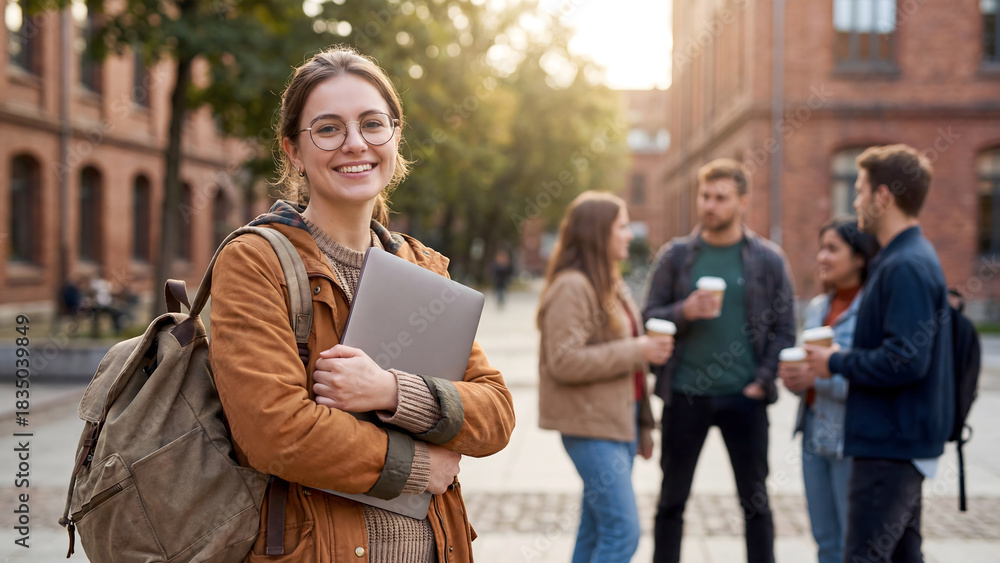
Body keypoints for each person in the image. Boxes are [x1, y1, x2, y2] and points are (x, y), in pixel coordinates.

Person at [208, 47, 516, 562]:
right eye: (328, 129)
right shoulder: (255, 262)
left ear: (395, 136)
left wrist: (391, 390)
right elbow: (275, 431)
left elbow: (496, 413)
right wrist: (419, 466)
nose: (355, 143)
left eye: (373, 124)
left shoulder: (419, 265)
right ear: (293, 150)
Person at [643, 158, 796, 563]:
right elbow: (649, 317)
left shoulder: (768, 259)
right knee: (671, 502)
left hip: (745, 398)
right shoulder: (676, 256)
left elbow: (785, 330)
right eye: (705, 196)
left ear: (743, 202)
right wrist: (685, 311)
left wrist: (761, 382)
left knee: (755, 504)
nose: (710, 205)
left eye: (721, 198)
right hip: (685, 394)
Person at [805, 145, 953, 563]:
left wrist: (834, 360)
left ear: (883, 196)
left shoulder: (904, 264)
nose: (855, 202)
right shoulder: (901, 258)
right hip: (896, 442)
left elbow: (905, 358)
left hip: (889, 446)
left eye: (860, 191)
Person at [536, 191, 673, 563]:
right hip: (590, 429)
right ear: (600, 233)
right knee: (622, 533)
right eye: (623, 227)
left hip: (619, 425)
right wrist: (639, 350)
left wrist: (643, 426)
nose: (630, 235)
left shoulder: (610, 284)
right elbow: (563, 361)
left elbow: (633, 374)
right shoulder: (572, 286)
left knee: (595, 531)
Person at [778, 217, 879, 563]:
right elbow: (809, 372)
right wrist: (795, 380)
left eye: (832, 249)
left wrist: (817, 378)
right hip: (812, 434)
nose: (822, 257)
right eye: (821, 248)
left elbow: (873, 376)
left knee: (854, 542)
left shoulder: (871, 310)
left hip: (849, 439)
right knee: (825, 540)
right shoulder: (818, 307)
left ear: (860, 257)